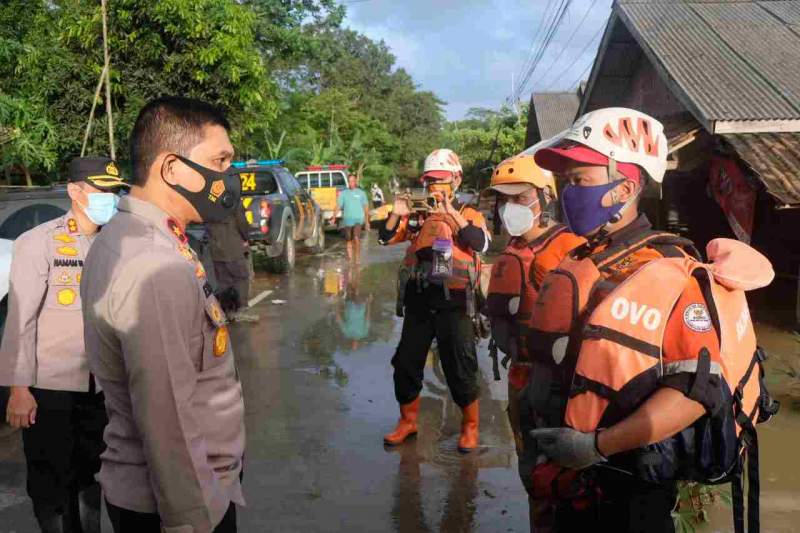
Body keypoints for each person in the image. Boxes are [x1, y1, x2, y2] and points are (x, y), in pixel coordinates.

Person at [520, 107, 777, 532]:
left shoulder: (671, 271)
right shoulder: (587, 257)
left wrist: (595, 446)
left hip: (629, 488)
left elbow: (695, 394)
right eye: (567, 182)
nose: (568, 192)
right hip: (569, 476)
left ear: (623, 189)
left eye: (579, 180)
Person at [80, 97, 246, 533]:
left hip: (176, 490)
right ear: (172, 169)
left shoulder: (142, 238)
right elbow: (166, 414)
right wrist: (190, 521)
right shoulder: (153, 261)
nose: (228, 176)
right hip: (180, 505)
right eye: (220, 160)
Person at [0, 156, 127, 533]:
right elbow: (20, 321)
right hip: (51, 390)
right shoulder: (38, 243)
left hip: (103, 389)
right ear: (75, 191)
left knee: (93, 480)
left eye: (115, 192)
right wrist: (19, 389)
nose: (111, 199)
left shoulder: (118, 243)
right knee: (52, 486)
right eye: (102, 191)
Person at [481, 153, 585, 529]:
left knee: (572, 475)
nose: (510, 207)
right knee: (533, 473)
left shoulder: (574, 248)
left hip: (566, 384)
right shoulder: (508, 252)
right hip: (522, 379)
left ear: (544, 198)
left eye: (521, 198)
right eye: (503, 199)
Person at [379, 148, 489, 453]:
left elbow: (480, 242)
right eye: (429, 180)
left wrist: (451, 213)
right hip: (419, 297)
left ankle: (470, 427)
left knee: (460, 364)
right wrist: (396, 213)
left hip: (454, 300)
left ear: (456, 180)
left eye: (440, 180)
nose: (434, 187)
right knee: (406, 361)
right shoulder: (417, 216)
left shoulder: (469, 215)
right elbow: (383, 238)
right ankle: (407, 421)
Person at [206, 202, 259, 322]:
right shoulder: (233, 200)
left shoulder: (209, 201)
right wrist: (246, 238)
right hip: (232, 247)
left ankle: (227, 311)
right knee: (241, 277)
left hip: (216, 249)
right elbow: (242, 223)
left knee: (224, 281)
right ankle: (242, 309)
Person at [336, 174, 369, 263]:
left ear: (356, 181)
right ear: (348, 182)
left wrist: (367, 222)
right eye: (349, 181)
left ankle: (357, 258)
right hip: (347, 220)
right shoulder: (344, 193)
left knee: (356, 237)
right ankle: (350, 259)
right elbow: (339, 205)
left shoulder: (361, 193)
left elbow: (366, 207)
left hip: (358, 219)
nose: (351, 183)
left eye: (353, 181)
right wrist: (333, 216)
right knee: (349, 239)